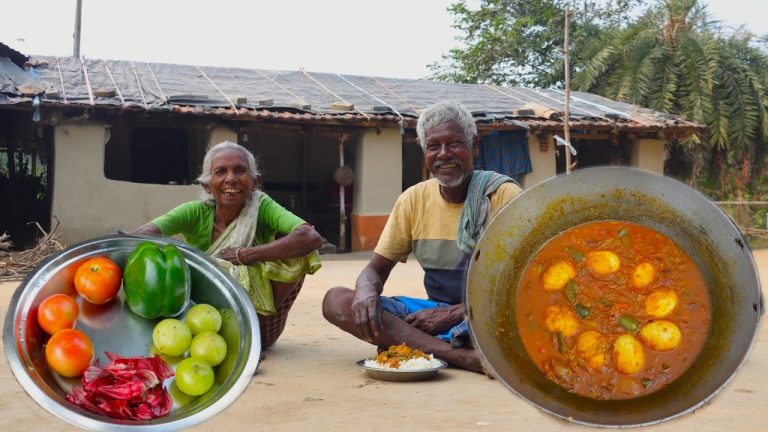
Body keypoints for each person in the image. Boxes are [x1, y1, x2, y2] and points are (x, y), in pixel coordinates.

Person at [322, 101, 522, 373]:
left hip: (489, 312)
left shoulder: (502, 196)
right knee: (337, 301)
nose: (444, 155)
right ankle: (460, 355)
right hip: (434, 314)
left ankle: (423, 343)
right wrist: (366, 292)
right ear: (424, 152)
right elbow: (375, 270)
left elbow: (525, 284)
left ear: (474, 146)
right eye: (433, 146)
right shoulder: (413, 199)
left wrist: (456, 313)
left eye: (454, 144)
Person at [133, 140, 324, 348]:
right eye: (220, 172)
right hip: (203, 316)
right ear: (207, 185)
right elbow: (140, 236)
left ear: (255, 182)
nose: (231, 179)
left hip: (261, 319)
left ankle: (250, 337)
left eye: (240, 170)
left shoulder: (262, 206)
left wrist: (246, 255)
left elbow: (310, 237)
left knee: (302, 251)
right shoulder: (193, 212)